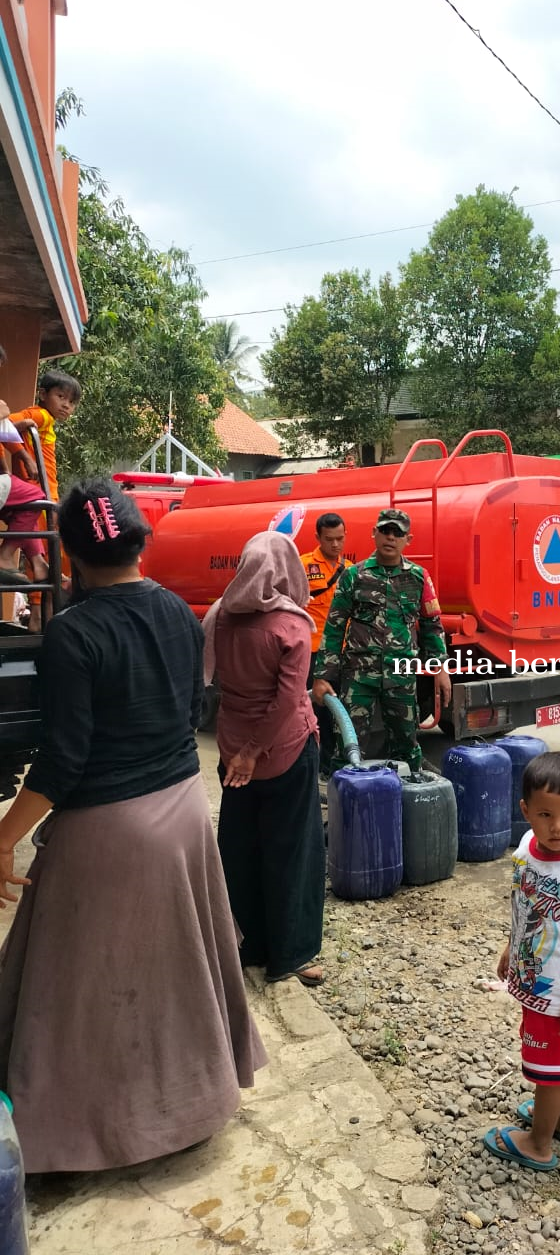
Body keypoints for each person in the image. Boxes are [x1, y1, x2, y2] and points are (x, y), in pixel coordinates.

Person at [0, 478, 265, 1173]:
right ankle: (191, 1103)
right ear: (140, 540)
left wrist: (2, 836)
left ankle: (83, 1133)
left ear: (71, 554)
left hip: (112, 828)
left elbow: (62, 764)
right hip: (182, 811)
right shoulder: (180, 614)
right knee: (175, 972)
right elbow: (190, 712)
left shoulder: (72, 632)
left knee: (80, 986)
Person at [203, 531, 326, 988]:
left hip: (231, 749)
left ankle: (242, 944)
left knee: (239, 849)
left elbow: (209, 680)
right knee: (292, 851)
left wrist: (241, 753)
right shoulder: (291, 625)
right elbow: (287, 700)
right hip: (285, 750)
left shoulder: (219, 615)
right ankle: (290, 955)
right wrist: (256, 752)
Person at [483, 751, 560, 1172]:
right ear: (525, 811)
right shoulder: (526, 849)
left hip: (558, 996)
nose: (558, 826)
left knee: (548, 1068)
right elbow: (524, 905)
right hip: (535, 979)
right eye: (546, 813)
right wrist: (510, 947)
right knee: (559, 1062)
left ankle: (539, 1142)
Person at [315, 507, 452, 771]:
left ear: (407, 540)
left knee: (406, 744)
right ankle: (345, 801)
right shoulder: (354, 576)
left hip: (400, 677)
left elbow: (431, 624)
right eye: (385, 531)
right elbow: (334, 628)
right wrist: (322, 676)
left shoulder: (418, 577)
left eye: (397, 533)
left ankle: (409, 798)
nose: (390, 537)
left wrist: (440, 668)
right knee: (348, 745)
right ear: (374, 534)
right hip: (358, 677)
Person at [9, 368, 80, 632]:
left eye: (71, 402)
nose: (66, 405)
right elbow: (8, 424)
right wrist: (24, 452)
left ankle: (41, 614)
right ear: (43, 394)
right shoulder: (41, 416)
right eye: (60, 396)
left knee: (42, 554)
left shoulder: (44, 420)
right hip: (39, 493)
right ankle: (41, 617)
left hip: (45, 493)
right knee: (45, 554)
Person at [300, 511, 354, 776]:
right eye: (329, 539)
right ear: (318, 538)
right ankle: (318, 763)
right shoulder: (303, 566)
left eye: (340, 539)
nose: (335, 544)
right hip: (312, 652)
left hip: (343, 651)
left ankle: (335, 762)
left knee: (341, 708)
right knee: (318, 709)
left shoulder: (351, 570)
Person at [0, 348, 48, 587]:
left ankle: (39, 563)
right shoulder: (40, 416)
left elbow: (4, 424)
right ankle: (5, 557)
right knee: (36, 498)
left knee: (22, 510)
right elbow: (4, 413)